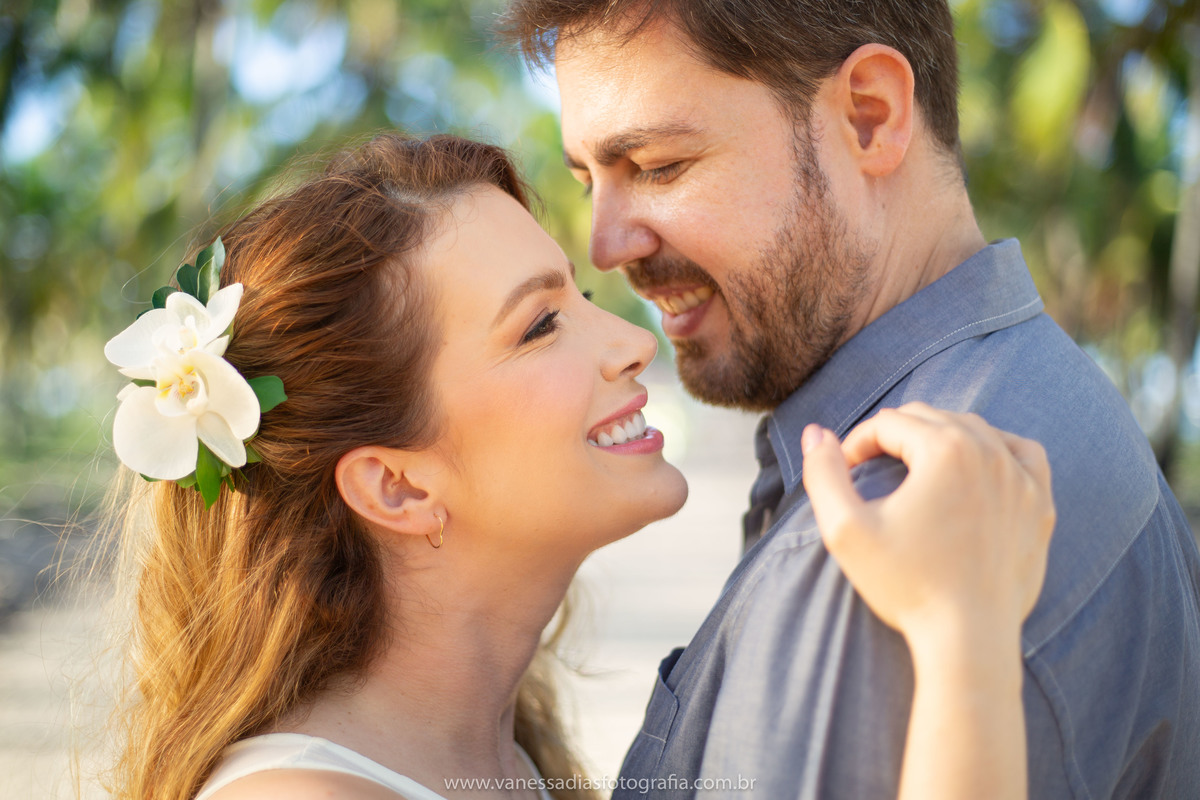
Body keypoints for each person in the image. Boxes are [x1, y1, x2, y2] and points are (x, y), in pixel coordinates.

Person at [101, 133, 1054, 800]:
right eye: (541, 323)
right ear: (398, 485)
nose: (632, 343)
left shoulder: (506, 764)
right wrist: (964, 631)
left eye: (582, 295)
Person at [497, 1, 1200, 797]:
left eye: (658, 166)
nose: (605, 245)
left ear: (870, 116)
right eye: (589, 180)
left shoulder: (878, 535)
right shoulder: (1052, 401)